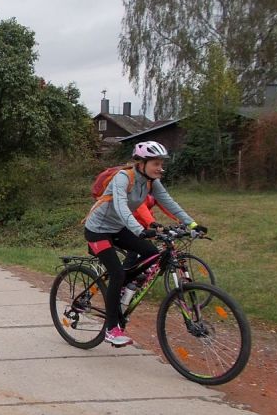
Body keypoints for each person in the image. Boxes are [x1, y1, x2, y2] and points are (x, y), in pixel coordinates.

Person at [84, 141, 206, 346]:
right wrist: (140, 230)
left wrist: (192, 224)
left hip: (117, 228)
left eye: (161, 163)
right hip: (97, 230)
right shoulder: (124, 177)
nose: (160, 168)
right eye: (156, 163)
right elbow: (121, 207)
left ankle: (122, 287)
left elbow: (169, 202)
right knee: (117, 273)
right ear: (141, 163)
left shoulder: (151, 181)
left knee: (151, 253)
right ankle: (111, 329)